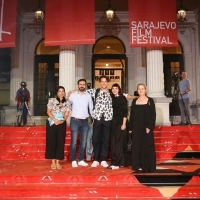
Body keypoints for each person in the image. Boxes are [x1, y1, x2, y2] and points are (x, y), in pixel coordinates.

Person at [129, 83, 156, 172]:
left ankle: (147, 165)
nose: (141, 90)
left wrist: (149, 127)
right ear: (137, 90)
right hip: (136, 128)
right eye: (139, 89)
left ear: (145, 90)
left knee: (147, 145)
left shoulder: (150, 101)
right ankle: (137, 165)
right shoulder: (134, 101)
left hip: (146, 127)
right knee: (137, 146)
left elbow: (153, 115)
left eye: (142, 89)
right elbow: (132, 115)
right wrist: (130, 128)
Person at [68, 79, 93, 167]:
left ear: (85, 85)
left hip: (85, 121)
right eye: (80, 84)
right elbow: (68, 105)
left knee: (83, 142)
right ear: (78, 85)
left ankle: (81, 159)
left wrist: (93, 120)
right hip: (75, 121)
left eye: (83, 84)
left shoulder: (88, 96)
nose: (82, 85)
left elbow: (91, 108)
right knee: (74, 141)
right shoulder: (73, 95)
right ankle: (73, 160)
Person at [45, 86, 70, 169]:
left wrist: (63, 120)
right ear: (57, 92)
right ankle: (53, 161)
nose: (61, 93)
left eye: (63, 91)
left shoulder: (67, 102)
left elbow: (66, 113)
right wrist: (54, 120)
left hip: (62, 123)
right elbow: (48, 112)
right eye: (60, 91)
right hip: (52, 123)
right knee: (52, 141)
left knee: (60, 141)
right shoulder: (52, 100)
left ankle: (58, 161)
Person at [108, 83, 128, 170]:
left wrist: (124, 124)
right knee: (114, 142)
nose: (114, 90)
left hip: (120, 122)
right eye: (113, 88)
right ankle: (119, 162)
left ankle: (116, 163)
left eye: (116, 88)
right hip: (112, 122)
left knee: (118, 143)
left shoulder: (122, 98)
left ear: (119, 89)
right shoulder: (111, 98)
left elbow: (125, 111)